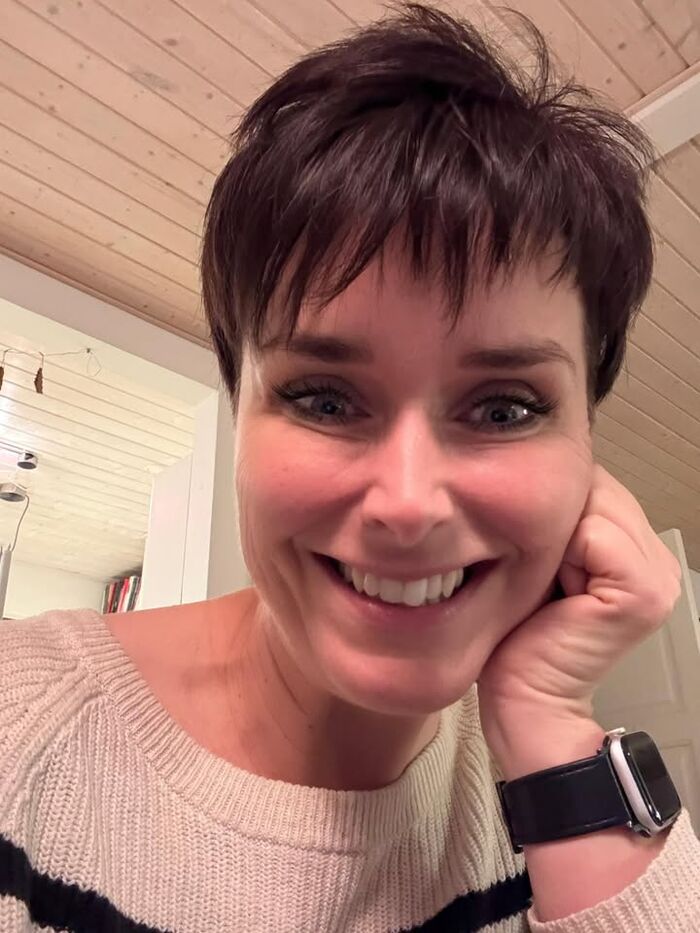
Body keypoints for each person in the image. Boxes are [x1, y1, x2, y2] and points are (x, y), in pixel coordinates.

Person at [1, 3, 699, 931]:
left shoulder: (540, 780)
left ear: (587, 452)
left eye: (504, 409)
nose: (407, 504)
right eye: (325, 399)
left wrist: (554, 730)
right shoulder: (18, 730)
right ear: (239, 412)